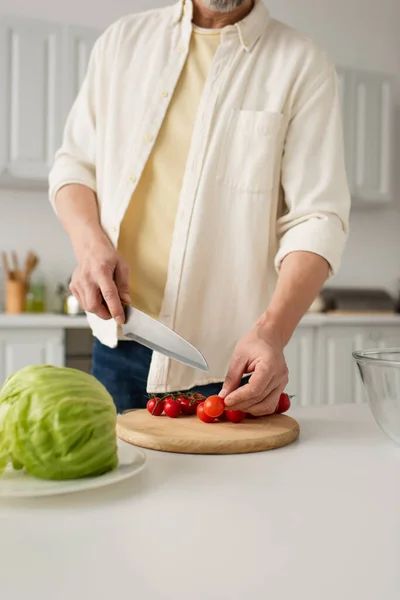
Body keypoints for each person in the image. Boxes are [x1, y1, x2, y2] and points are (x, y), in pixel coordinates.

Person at [49, 0, 350, 415]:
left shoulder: (302, 63)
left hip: (230, 364)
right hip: (118, 342)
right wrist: (90, 247)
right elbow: (74, 165)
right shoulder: (121, 43)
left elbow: (318, 218)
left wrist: (272, 332)